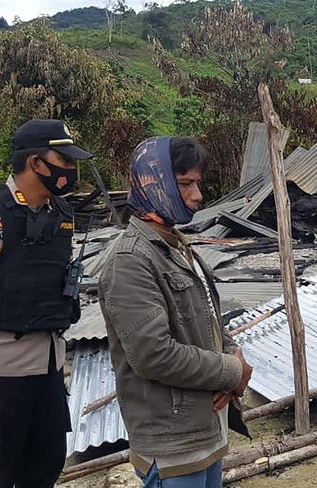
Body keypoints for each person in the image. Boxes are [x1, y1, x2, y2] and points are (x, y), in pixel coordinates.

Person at [99, 136, 253, 488]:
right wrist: (230, 370)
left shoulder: (175, 245)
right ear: (154, 183)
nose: (197, 196)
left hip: (202, 433)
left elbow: (205, 317)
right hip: (172, 446)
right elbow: (153, 354)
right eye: (185, 184)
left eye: (197, 183)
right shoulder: (131, 261)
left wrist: (230, 349)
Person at [0, 119, 92, 487]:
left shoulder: (61, 214)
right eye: (62, 160)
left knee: (46, 464)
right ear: (35, 163)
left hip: (48, 367)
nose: (70, 170)